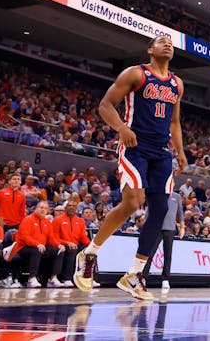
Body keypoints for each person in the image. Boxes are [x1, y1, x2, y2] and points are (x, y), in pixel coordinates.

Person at [73, 35, 188, 301]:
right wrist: (121, 128)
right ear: (150, 50)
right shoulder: (136, 74)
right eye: (162, 41)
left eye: (170, 43)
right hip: (135, 146)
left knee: (161, 209)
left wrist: (181, 151)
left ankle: (134, 274)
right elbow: (105, 105)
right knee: (133, 202)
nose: (168, 44)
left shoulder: (177, 84)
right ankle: (90, 253)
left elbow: (174, 122)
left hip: (161, 152)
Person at [5, 200, 63, 288]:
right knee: (36, 250)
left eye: (45, 208)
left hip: (40, 247)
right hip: (23, 247)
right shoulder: (28, 219)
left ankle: (53, 278)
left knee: (58, 251)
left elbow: (51, 238)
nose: (43, 210)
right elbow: (24, 236)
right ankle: (31, 278)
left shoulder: (47, 222)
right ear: (36, 208)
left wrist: (59, 245)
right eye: (41, 207)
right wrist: (37, 244)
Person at [142, 188, 184, 293]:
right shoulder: (158, 193)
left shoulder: (177, 196)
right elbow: (150, 210)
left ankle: (165, 279)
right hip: (156, 227)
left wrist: (182, 228)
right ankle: (143, 277)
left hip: (170, 229)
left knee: (168, 255)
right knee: (150, 253)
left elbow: (180, 213)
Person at [52, 198, 90, 287]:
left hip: (75, 244)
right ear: (65, 208)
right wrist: (67, 243)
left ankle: (87, 278)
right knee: (72, 250)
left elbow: (83, 237)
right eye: (69, 206)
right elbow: (54, 237)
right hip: (63, 244)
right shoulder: (58, 220)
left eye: (74, 206)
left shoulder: (80, 221)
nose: (71, 207)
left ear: (76, 208)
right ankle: (67, 278)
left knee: (90, 252)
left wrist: (91, 246)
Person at [0, 173, 26, 237]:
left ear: (20, 182)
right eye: (14, 179)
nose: (16, 181)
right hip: (1, 222)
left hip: (16, 224)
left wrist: (22, 224)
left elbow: (22, 212)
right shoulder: (1, 192)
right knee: (0, 241)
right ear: (9, 181)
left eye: (18, 179)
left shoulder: (22, 195)